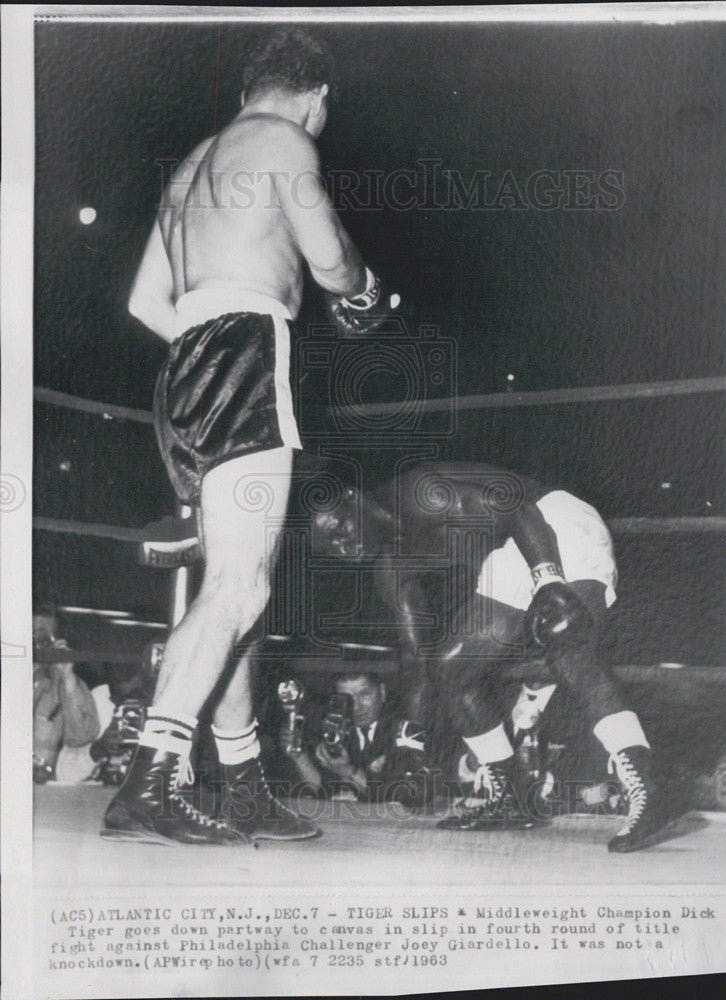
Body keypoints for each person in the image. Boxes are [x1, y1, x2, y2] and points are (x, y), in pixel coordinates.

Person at [105, 27, 400, 846]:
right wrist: (371, 293)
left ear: (248, 90)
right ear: (315, 98)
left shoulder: (193, 164)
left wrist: (208, 352)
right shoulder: (285, 141)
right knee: (242, 586)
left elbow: (144, 303)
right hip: (241, 351)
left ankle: (239, 778)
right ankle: (152, 776)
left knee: (237, 588)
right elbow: (332, 261)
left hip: (185, 371)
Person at [311, 461, 671, 853]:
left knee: (566, 643)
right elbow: (417, 658)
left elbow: (517, 509)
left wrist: (549, 581)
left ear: (354, 498)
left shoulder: (423, 494)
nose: (346, 548)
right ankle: (514, 797)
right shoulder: (392, 571)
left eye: (340, 530)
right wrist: (410, 747)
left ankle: (649, 786)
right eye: (335, 550)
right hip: (509, 554)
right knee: (450, 668)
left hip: (550, 522)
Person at [280, 671, 426, 803]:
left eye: (364, 695)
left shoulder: (406, 732)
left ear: (382, 692)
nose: (356, 706)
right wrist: (298, 756)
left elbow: (407, 794)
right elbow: (323, 791)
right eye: (346, 698)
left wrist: (349, 772)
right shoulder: (338, 733)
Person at [33, 607, 101, 784]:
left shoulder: (60, 685)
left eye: (42, 637)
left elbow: (83, 736)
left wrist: (67, 675)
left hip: (36, 790)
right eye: (29, 632)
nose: (34, 642)